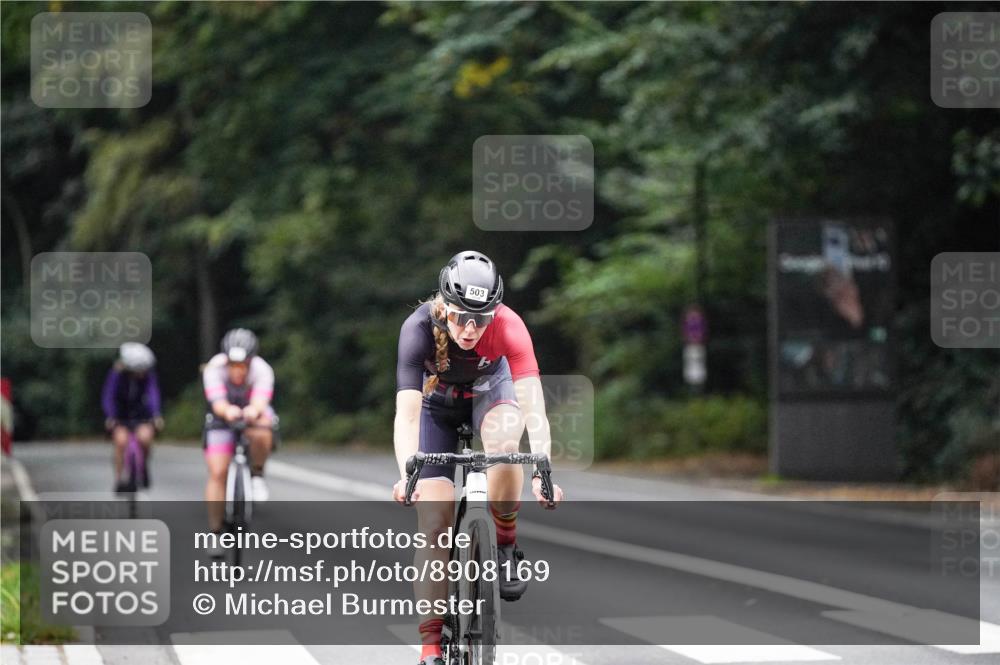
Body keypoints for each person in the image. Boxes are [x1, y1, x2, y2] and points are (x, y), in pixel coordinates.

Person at [392, 251, 564, 665]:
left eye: (481, 319)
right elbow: (408, 413)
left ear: (495, 312)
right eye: (459, 317)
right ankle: (431, 645)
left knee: (506, 446)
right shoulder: (417, 329)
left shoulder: (510, 326)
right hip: (436, 408)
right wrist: (407, 474)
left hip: (492, 394)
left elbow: (533, 406)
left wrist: (542, 467)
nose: (470, 329)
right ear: (444, 307)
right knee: (434, 525)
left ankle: (505, 545)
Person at [202, 329, 277, 547]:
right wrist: (228, 411)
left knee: (264, 429)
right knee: (217, 472)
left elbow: (261, 401)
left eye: (243, 364)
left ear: (251, 361)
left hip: (252, 411)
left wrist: (253, 411)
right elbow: (217, 402)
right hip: (222, 416)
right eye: (233, 365)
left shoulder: (263, 370)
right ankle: (215, 533)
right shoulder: (213, 368)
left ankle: (257, 474)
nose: (238, 370)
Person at [102, 342, 162, 493]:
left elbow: (153, 394)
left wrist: (156, 415)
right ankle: (119, 477)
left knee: (145, 438)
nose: (142, 373)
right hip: (120, 416)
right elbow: (109, 396)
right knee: (121, 442)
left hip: (142, 415)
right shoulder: (116, 375)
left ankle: (144, 466)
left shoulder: (148, 376)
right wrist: (110, 416)